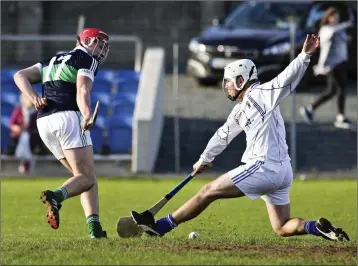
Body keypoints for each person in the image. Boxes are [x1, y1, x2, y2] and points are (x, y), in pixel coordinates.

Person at [131, 34, 350, 242]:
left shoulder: (261, 95)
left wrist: (304, 56)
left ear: (240, 79)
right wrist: (204, 159)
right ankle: (317, 228)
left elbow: (286, 78)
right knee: (282, 227)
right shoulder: (240, 109)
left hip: (264, 167)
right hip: (282, 172)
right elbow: (223, 135)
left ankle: (159, 227)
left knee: (208, 191)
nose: (225, 85)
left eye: (228, 81)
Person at [13, 28, 110, 238]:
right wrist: (86, 114)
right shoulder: (87, 60)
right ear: (86, 41)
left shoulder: (53, 59)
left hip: (45, 123)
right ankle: (55, 197)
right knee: (86, 177)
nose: (101, 50)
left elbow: (19, 75)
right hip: (68, 118)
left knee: (85, 176)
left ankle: (95, 230)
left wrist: (33, 98)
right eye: (99, 44)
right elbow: (82, 90)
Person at [300, 7, 354, 129]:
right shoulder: (326, 29)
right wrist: (322, 66)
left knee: (332, 91)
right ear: (328, 18)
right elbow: (329, 41)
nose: (336, 18)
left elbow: (343, 40)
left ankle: (309, 109)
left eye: (337, 16)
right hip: (332, 65)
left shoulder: (339, 29)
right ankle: (341, 118)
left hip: (340, 62)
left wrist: (347, 38)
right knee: (341, 89)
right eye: (333, 16)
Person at [7, 93, 42, 174]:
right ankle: (26, 161)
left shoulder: (37, 111)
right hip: (19, 135)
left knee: (27, 136)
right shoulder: (18, 110)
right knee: (23, 137)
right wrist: (19, 128)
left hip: (33, 136)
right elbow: (12, 124)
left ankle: (26, 161)